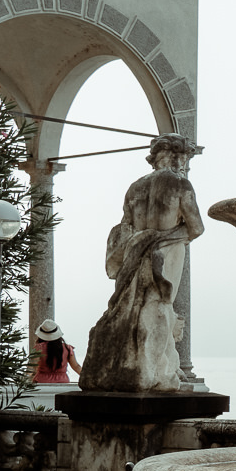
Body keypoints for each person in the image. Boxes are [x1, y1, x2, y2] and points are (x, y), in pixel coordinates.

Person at [81, 133, 204, 393]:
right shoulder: (180, 184)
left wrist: (144, 237)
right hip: (167, 251)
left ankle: (135, 365)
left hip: (135, 251)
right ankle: (154, 373)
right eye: (185, 157)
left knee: (133, 308)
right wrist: (165, 235)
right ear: (179, 156)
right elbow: (196, 228)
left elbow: (126, 228)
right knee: (159, 305)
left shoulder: (135, 188)